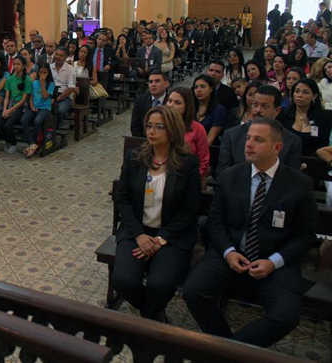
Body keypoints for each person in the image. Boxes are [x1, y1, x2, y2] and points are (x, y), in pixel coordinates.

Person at [184, 118, 318, 348]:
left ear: (277, 147)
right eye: (248, 138)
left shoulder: (299, 183)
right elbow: (216, 221)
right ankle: (228, 348)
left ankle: (231, 350)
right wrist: (228, 252)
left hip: (275, 259)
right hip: (232, 251)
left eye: (258, 140)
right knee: (194, 292)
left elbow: (305, 235)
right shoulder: (230, 176)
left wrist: (273, 262)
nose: (249, 144)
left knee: (286, 315)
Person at [113, 106, 202, 321]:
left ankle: (150, 314)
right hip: (137, 231)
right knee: (124, 280)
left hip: (172, 234)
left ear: (172, 130)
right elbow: (122, 198)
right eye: (149, 126)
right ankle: (152, 313)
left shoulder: (187, 162)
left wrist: (161, 239)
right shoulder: (135, 157)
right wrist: (140, 236)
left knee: (161, 284)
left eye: (159, 127)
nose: (152, 131)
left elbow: (191, 208)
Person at [217, 85, 302, 175]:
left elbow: (292, 178)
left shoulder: (292, 141)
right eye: (255, 104)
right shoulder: (231, 135)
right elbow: (222, 174)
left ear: (277, 110)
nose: (258, 110)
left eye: (264, 106)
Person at [277, 78, 332, 157]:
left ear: (314, 96)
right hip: (287, 162)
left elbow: (324, 145)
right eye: (297, 91)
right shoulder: (282, 114)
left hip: (316, 163)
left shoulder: (325, 117)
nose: (299, 95)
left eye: (305, 92)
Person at [166, 87, 210, 183]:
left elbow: (204, 161)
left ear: (187, 106)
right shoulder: (160, 125)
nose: (171, 105)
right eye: (169, 101)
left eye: (177, 103)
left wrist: (193, 179)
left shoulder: (198, 129)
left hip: (187, 179)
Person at [0, 55, 31, 154]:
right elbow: (7, 97)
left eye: (18, 64)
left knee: (8, 125)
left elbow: (23, 100)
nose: (15, 66)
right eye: (14, 64)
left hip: (20, 107)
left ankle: (14, 143)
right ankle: (7, 141)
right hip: (9, 104)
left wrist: (10, 110)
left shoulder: (27, 80)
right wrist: (5, 109)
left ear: (24, 66)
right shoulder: (10, 79)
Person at [21, 62, 55, 158]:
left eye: (45, 73)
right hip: (34, 106)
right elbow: (31, 96)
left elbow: (45, 96)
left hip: (45, 108)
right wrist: (31, 106)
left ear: (48, 73)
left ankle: (35, 143)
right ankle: (32, 144)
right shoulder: (34, 83)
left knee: (37, 121)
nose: (42, 75)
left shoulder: (51, 84)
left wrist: (43, 84)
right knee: (24, 120)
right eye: (41, 72)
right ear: (38, 72)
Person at [130, 71, 169, 137]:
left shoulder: (170, 101)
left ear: (166, 84)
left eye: (157, 81)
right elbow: (135, 127)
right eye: (150, 82)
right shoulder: (140, 100)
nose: (153, 84)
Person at [193, 74, 226, 146]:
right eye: (196, 87)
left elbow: (210, 138)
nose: (198, 90)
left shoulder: (218, 110)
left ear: (211, 89)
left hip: (208, 150)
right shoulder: (190, 108)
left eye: (203, 87)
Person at [50, 46, 77, 130]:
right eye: (56, 54)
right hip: (50, 94)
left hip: (65, 96)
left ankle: (54, 130)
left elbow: (71, 88)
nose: (57, 57)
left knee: (60, 109)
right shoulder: (50, 67)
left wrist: (56, 99)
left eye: (60, 55)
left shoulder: (71, 70)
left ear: (65, 57)